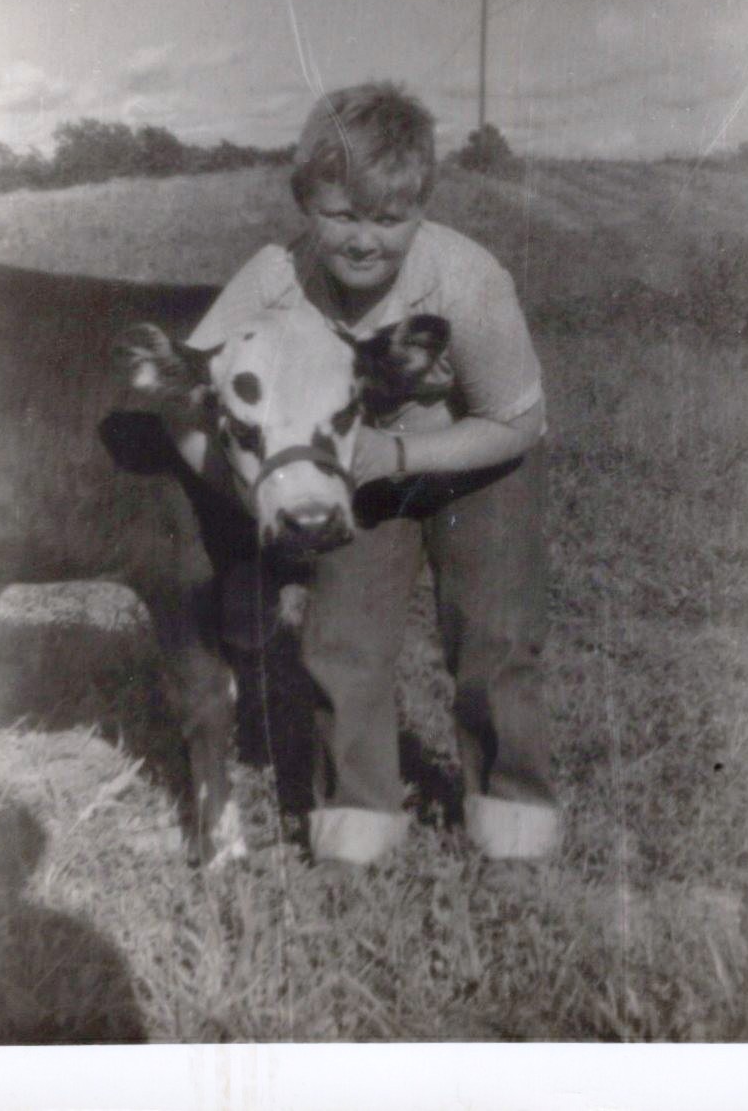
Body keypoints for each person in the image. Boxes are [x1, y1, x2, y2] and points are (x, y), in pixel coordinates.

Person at [184, 82, 560, 866]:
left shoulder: (467, 279)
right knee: (343, 642)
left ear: (422, 209)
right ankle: (357, 819)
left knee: (493, 634)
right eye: (340, 215)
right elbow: (195, 395)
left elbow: (515, 422)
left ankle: (513, 811)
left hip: (478, 460)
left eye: (388, 220)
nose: (362, 241)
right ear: (304, 203)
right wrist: (259, 488)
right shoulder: (273, 279)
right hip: (355, 474)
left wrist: (397, 455)